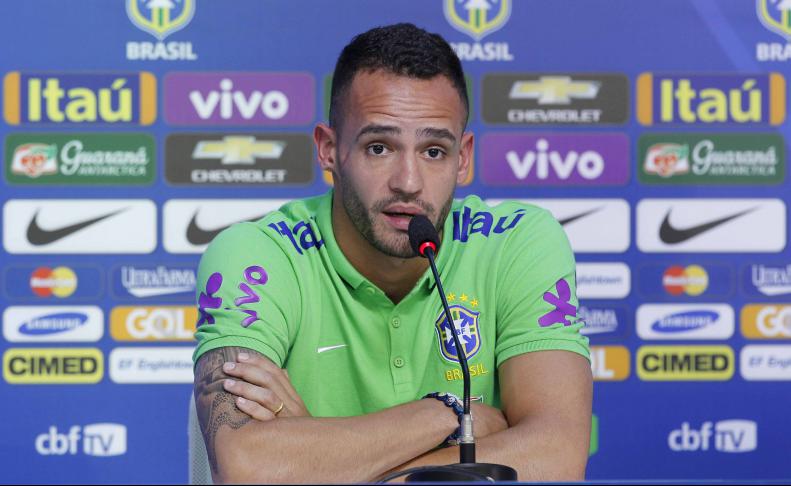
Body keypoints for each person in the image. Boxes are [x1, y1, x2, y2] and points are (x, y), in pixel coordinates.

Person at [192, 22, 592, 484]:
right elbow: (249, 472)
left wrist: (321, 460)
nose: (408, 181)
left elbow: (557, 457)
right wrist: (448, 414)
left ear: (463, 159)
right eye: (379, 147)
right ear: (329, 149)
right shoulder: (256, 253)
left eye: (434, 151)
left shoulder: (518, 241)